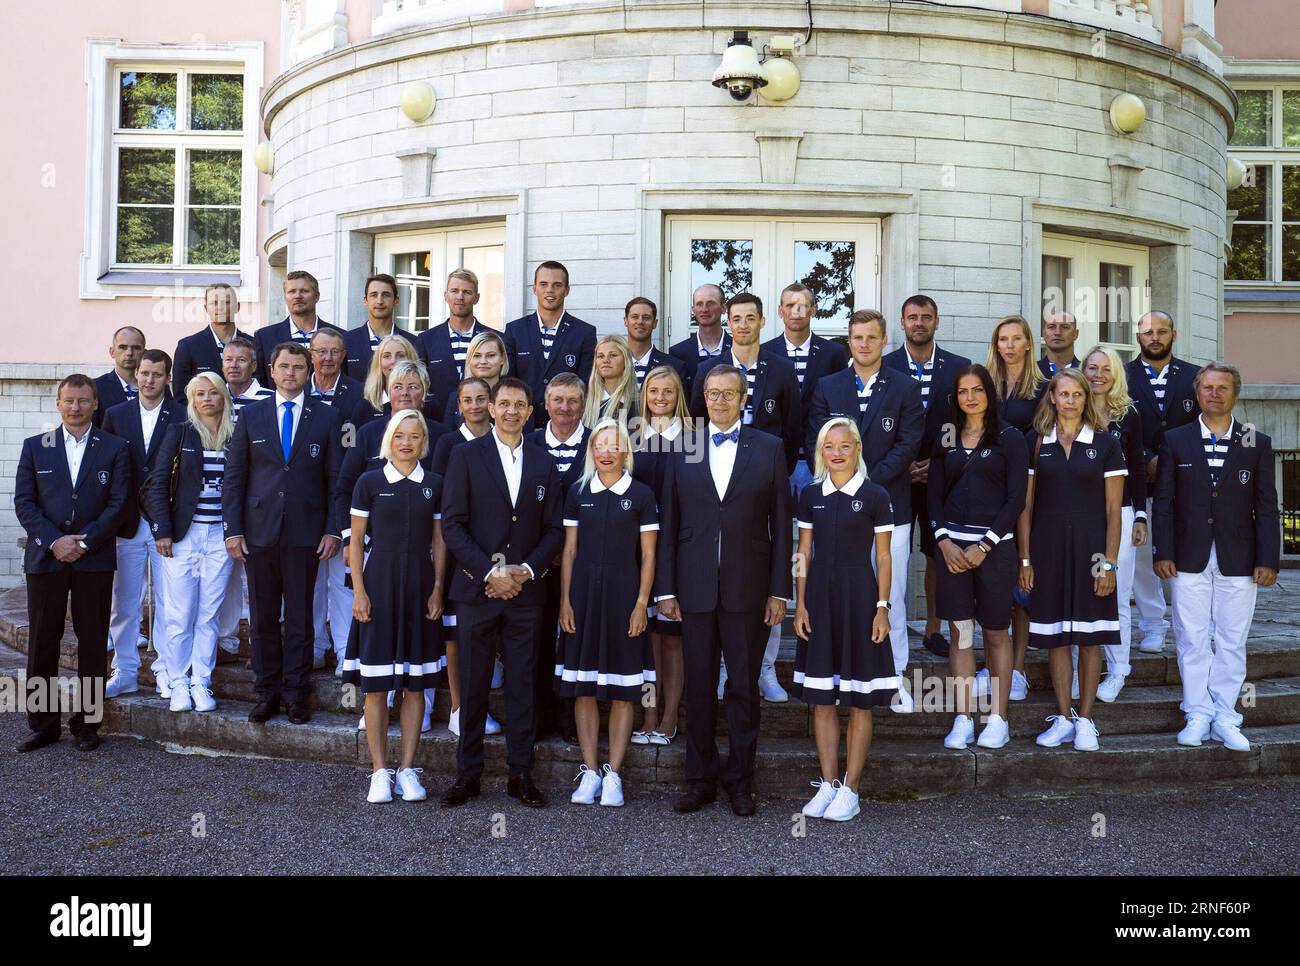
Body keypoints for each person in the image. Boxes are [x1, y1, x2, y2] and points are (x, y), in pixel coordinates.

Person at [656, 364, 793, 817]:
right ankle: (699, 780)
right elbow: (670, 525)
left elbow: (781, 525)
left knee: (742, 689)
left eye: (728, 394)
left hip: (748, 589)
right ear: (703, 398)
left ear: (743, 398)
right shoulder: (683, 448)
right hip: (693, 590)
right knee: (697, 688)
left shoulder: (770, 448)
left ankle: (740, 781)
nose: (719, 401)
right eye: (712, 394)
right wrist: (665, 589)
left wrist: (779, 591)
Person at [439, 377, 564, 808]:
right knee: (473, 684)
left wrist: (525, 571)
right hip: (477, 590)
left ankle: (520, 773)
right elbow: (452, 524)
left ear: (532, 411)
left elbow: (553, 530)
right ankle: (467, 773)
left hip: (527, 593)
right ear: (491, 408)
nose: (512, 411)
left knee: (522, 685)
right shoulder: (465, 456)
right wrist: (491, 573)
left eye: (520, 404)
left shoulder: (544, 462)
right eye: (504, 403)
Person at [1154, 363, 1279, 752]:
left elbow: (1267, 506)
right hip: (1187, 556)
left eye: (1222, 388)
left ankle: (1227, 715)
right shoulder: (1176, 440)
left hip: (1239, 557)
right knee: (1191, 637)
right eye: (1207, 387)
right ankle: (1197, 712)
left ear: (1235, 394)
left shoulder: (1255, 441)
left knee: (1230, 638)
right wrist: (1163, 550)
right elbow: (1163, 502)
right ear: (1198, 393)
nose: (1214, 394)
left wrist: (1268, 559)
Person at [806, 309, 923, 712]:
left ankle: (896, 677)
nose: (864, 344)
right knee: (839, 588)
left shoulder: (905, 387)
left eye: (872, 337)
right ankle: (840, 674)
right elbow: (816, 440)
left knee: (891, 593)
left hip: (890, 503)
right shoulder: (827, 385)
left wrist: (869, 482)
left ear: (884, 340)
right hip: (836, 508)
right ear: (849, 342)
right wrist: (843, 484)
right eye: (857, 337)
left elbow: (909, 443)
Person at [223, 342, 343, 725]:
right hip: (259, 532)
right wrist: (234, 530)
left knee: (300, 618)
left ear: (308, 372)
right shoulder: (251, 415)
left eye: (297, 367)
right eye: (283, 367)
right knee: (261, 617)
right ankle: (266, 691)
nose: (290, 373)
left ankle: (296, 693)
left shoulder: (327, 416)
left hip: (306, 534)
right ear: (271, 371)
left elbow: (336, 481)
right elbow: (235, 477)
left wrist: (332, 529)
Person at [14, 374, 130, 752]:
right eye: (69, 401)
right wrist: (55, 541)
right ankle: (42, 726)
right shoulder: (36, 447)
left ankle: (87, 725)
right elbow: (25, 503)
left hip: (93, 560)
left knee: (93, 642)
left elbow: (118, 503)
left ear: (95, 403)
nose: (76, 407)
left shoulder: (114, 447)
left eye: (83, 401)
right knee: (42, 642)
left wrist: (87, 541)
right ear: (58, 403)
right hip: (47, 558)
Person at [334, 360, 452, 730]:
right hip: (380, 562)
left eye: (413, 386)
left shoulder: (441, 437)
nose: (406, 393)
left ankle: (422, 710)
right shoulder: (368, 435)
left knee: (419, 657)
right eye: (398, 386)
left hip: (419, 564)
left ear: (424, 390)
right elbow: (346, 489)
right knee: (379, 652)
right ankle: (376, 712)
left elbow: (440, 525)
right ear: (387, 389)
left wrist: (437, 585)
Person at [1018, 369, 1126, 752]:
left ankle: (1086, 720)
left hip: (1092, 552)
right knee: (1056, 638)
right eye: (1062, 394)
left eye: (1076, 394)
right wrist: (1026, 559)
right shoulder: (1035, 442)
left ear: (1085, 398)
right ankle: (1064, 718)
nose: (1069, 400)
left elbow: (1115, 511)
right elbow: (1025, 506)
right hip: (1046, 552)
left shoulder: (1107, 443)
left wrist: (1110, 564)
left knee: (1090, 638)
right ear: (1052, 398)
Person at [343, 409, 447, 803]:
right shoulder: (369, 481)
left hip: (420, 587)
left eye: (415, 436)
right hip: (379, 584)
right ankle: (378, 772)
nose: (407, 442)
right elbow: (354, 541)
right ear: (390, 438)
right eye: (400, 435)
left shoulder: (434, 484)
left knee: (415, 685)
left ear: (424, 441)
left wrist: (438, 588)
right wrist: (359, 591)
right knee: (377, 686)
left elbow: (439, 542)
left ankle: (407, 769)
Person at [793, 418, 893, 821]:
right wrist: (799, 604)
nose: (836, 452)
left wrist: (882, 607)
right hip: (819, 598)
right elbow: (803, 553)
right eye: (828, 446)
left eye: (844, 445)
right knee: (821, 698)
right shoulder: (810, 494)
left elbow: (883, 557)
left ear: (857, 449)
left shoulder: (876, 495)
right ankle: (829, 783)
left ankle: (851, 789)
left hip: (860, 599)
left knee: (858, 699)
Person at [558, 420, 659, 807]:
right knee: (584, 688)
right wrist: (565, 600)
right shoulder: (577, 492)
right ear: (591, 450)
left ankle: (613, 774)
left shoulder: (642, 494)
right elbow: (568, 551)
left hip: (623, 599)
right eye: (600, 446)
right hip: (583, 598)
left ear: (625, 452)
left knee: (622, 690)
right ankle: (589, 770)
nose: (606, 452)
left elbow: (648, 554)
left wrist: (641, 603)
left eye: (614, 446)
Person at [928, 365, 1027, 750]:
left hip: (993, 552)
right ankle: (964, 718)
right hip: (952, 552)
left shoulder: (1009, 437)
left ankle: (999, 718)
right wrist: (945, 542)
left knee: (997, 633)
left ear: (989, 393)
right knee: (960, 634)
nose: (970, 398)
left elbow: (1016, 498)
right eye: (963, 391)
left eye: (977, 390)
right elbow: (933, 494)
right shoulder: (946, 435)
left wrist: (984, 545)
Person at [882, 294, 970, 658]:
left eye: (926, 317)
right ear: (901, 322)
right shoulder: (883, 366)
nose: (919, 323)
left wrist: (942, 461)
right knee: (890, 552)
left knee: (938, 552)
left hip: (943, 473)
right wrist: (900, 464)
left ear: (937, 321)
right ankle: (886, 624)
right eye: (912, 317)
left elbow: (968, 421)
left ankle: (935, 628)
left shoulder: (959, 366)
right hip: (893, 474)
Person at [146, 372, 236, 713]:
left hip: (220, 536)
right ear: (191, 399)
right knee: (180, 612)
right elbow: (156, 484)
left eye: (213, 392)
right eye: (200, 394)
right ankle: (177, 679)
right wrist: (162, 531)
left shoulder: (236, 434)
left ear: (223, 396)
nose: (207, 399)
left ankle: (202, 680)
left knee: (209, 613)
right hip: (184, 534)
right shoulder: (180, 432)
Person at [101, 349, 184, 698]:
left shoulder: (182, 415)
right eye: (145, 373)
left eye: (157, 374)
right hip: (128, 523)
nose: (150, 380)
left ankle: (167, 669)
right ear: (137, 376)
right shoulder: (115, 415)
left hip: (169, 522)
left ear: (168, 378)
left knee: (169, 601)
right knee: (125, 601)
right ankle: (125, 669)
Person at [427, 376, 502, 739]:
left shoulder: (502, 440)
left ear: (491, 403)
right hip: (460, 552)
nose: (474, 405)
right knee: (457, 637)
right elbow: (443, 507)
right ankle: (459, 708)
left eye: (480, 399)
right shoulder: (448, 443)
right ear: (458, 405)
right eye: (467, 400)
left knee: (491, 636)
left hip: (500, 553)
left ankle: (482, 702)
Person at [1125, 311, 1200, 654]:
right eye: (1148, 332)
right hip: (1137, 482)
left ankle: (1192, 626)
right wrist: (1144, 459)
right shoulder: (1121, 376)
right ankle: (1153, 626)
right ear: (1138, 336)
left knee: (1184, 557)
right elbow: (1113, 424)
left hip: (1183, 482)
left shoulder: (1195, 377)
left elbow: (1203, 425)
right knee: (1142, 559)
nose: (1154, 337)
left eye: (1162, 331)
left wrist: (1167, 460)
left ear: (1174, 334)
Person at [1082, 346, 1148, 703]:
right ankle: (1082, 668)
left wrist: (1139, 514)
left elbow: (1136, 468)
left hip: (1118, 513)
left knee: (1117, 592)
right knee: (1081, 591)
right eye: (1091, 367)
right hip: (1077, 514)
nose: (1097, 374)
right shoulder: (1071, 405)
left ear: (1116, 374)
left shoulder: (1128, 414)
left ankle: (1118, 669)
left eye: (1105, 369)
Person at [525, 371, 588, 742]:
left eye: (572, 401)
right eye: (558, 400)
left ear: (583, 405)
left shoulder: (599, 443)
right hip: (536, 565)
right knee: (535, 642)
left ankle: (569, 718)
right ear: (545, 404)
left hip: (582, 564)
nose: (564, 408)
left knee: (575, 641)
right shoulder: (528, 443)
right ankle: (537, 717)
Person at [985, 314, 1045, 699]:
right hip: (987, 491)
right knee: (992, 586)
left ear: (1027, 344)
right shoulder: (986, 385)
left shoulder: (1043, 388)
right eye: (1002, 339)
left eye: (1015, 338)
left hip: (1026, 489)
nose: (1008, 345)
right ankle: (992, 664)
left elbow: (1041, 439)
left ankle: (1019, 668)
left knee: (1021, 586)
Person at [630, 365, 690, 747]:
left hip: (680, 550)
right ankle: (649, 711)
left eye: (668, 392)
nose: (660, 398)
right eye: (654, 391)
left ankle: (669, 715)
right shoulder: (632, 436)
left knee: (672, 638)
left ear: (678, 396)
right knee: (647, 639)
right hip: (637, 551)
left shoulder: (692, 440)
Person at [213, 336, 274, 665]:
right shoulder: (214, 396)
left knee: (256, 575)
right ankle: (226, 640)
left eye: (240, 360)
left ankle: (258, 640)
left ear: (254, 366)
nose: (233, 365)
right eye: (228, 359)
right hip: (217, 496)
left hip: (259, 497)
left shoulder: (268, 398)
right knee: (226, 573)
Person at [691, 293, 801, 474]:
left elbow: (793, 427)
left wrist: (782, 469)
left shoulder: (783, 369)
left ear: (762, 321)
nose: (743, 325)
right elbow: (696, 423)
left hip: (767, 469)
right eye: (737, 319)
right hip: (718, 466)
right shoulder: (707, 370)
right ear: (729, 323)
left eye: (750, 318)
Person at [764, 283, 850, 491]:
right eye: (790, 305)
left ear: (813, 309)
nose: (796, 312)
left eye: (802, 305)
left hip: (823, 460)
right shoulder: (765, 353)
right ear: (780, 310)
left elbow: (841, 404)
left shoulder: (834, 353)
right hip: (777, 460)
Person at [503, 261, 597, 428]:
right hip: (523, 427)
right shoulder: (514, 330)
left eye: (557, 285)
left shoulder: (584, 333)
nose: (550, 290)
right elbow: (509, 382)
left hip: (566, 425)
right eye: (543, 284)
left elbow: (584, 385)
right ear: (534, 289)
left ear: (567, 290)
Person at [416, 269, 489, 420]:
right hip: (438, 422)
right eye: (454, 291)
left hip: (484, 423)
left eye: (467, 292)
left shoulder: (493, 339)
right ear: (446, 296)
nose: (460, 297)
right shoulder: (426, 340)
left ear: (477, 298)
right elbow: (420, 386)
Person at [255, 270, 342, 385]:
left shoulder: (340, 336)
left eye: (304, 291)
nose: (298, 296)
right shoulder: (264, 337)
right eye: (292, 291)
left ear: (317, 296)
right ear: (285, 297)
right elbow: (259, 382)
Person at [172, 282, 254, 399]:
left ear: (237, 306)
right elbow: (181, 397)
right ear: (206, 308)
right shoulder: (188, 346)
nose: (220, 307)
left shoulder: (254, 344)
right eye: (214, 303)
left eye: (226, 302)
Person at [343, 273, 419, 382]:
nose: (379, 301)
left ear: (396, 300)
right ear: (365, 300)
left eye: (386, 295)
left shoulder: (412, 342)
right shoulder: (347, 341)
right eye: (374, 295)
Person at [669, 283, 731, 394]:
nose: (704, 309)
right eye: (699, 304)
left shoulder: (736, 349)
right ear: (693, 309)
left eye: (710, 303)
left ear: (723, 308)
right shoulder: (677, 353)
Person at [351, 333, 418, 430]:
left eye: (400, 356)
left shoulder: (428, 406)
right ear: (379, 362)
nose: (393, 361)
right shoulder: (364, 407)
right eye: (387, 356)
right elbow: (351, 442)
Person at [444, 331, 508, 426]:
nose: (483, 361)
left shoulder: (513, 395)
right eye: (477, 356)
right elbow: (449, 436)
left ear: (502, 358)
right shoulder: (455, 398)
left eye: (490, 355)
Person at [623, 296, 686, 392]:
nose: (640, 322)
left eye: (646, 317)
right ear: (626, 321)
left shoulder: (674, 366)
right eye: (635, 317)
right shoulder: (611, 363)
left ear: (654, 323)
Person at [94, 326, 152, 426]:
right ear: (112, 352)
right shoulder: (96, 387)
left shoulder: (158, 387)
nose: (129, 353)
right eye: (122, 347)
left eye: (136, 348)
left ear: (144, 353)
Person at [583, 335, 638, 428]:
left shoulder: (639, 403)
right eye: (600, 356)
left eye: (612, 355)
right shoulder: (585, 401)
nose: (605, 360)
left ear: (626, 360)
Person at [306, 327, 362, 413]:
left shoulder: (359, 393)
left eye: (335, 352)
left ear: (343, 356)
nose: (328, 358)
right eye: (322, 351)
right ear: (311, 356)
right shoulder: (299, 390)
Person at [1039, 310, 1081, 378]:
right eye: (1051, 327)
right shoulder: (1030, 372)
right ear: (1043, 333)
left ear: (1076, 334)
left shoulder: (1086, 373)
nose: (1057, 332)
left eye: (1065, 327)